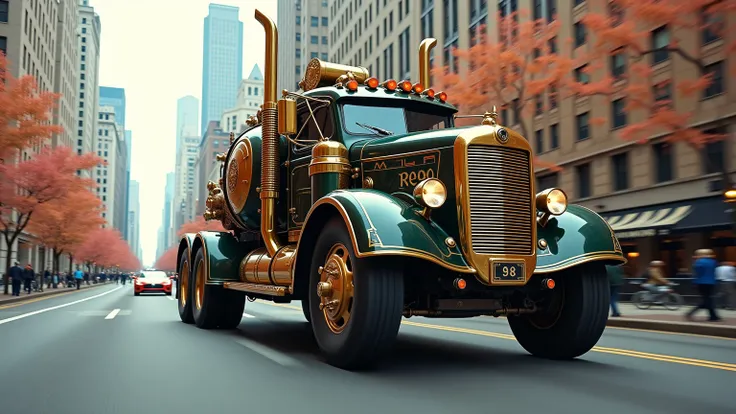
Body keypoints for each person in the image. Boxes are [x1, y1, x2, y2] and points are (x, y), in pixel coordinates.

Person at [685, 249, 721, 322]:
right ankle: (713, 316)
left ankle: (691, 312)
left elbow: (697, 273)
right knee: (708, 299)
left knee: (707, 300)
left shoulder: (699, 262)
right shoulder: (713, 262)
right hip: (712, 282)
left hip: (701, 282)